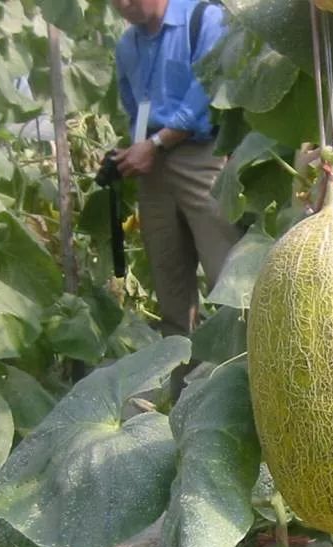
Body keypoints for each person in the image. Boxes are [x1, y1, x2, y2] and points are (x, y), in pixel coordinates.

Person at [110, 0, 239, 339]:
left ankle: (244, 373)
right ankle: (182, 384)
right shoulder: (127, 45)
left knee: (227, 277)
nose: (122, 5)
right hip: (152, 167)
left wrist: (155, 144)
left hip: (201, 156)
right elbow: (131, 104)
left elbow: (207, 94)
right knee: (171, 289)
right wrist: (135, 149)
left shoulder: (203, 18)